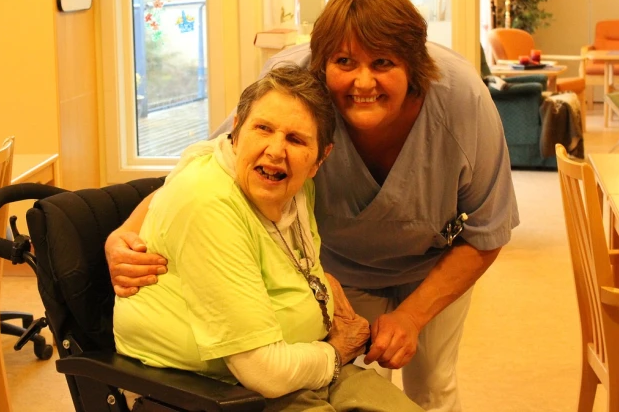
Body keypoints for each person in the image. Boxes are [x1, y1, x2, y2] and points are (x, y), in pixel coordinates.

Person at [107, 0, 519, 412]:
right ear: (322, 65)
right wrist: (123, 233)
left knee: (435, 384)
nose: (363, 81)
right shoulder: (291, 85)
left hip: (435, 262)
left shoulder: (462, 102)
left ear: (414, 66)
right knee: (353, 380)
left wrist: (411, 318)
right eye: (344, 61)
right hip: (340, 270)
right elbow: (215, 162)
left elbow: (488, 230)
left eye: (383, 62)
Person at [113, 66, 424, 411]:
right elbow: (264, 372)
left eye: (296, 139)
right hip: (219, 391)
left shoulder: (295, 188)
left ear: (320, 159)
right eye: (263, 128)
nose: (276, 151)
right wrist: (335, 353)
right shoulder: (208, 202)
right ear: (236, 131)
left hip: (301, 367)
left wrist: (323, 291)